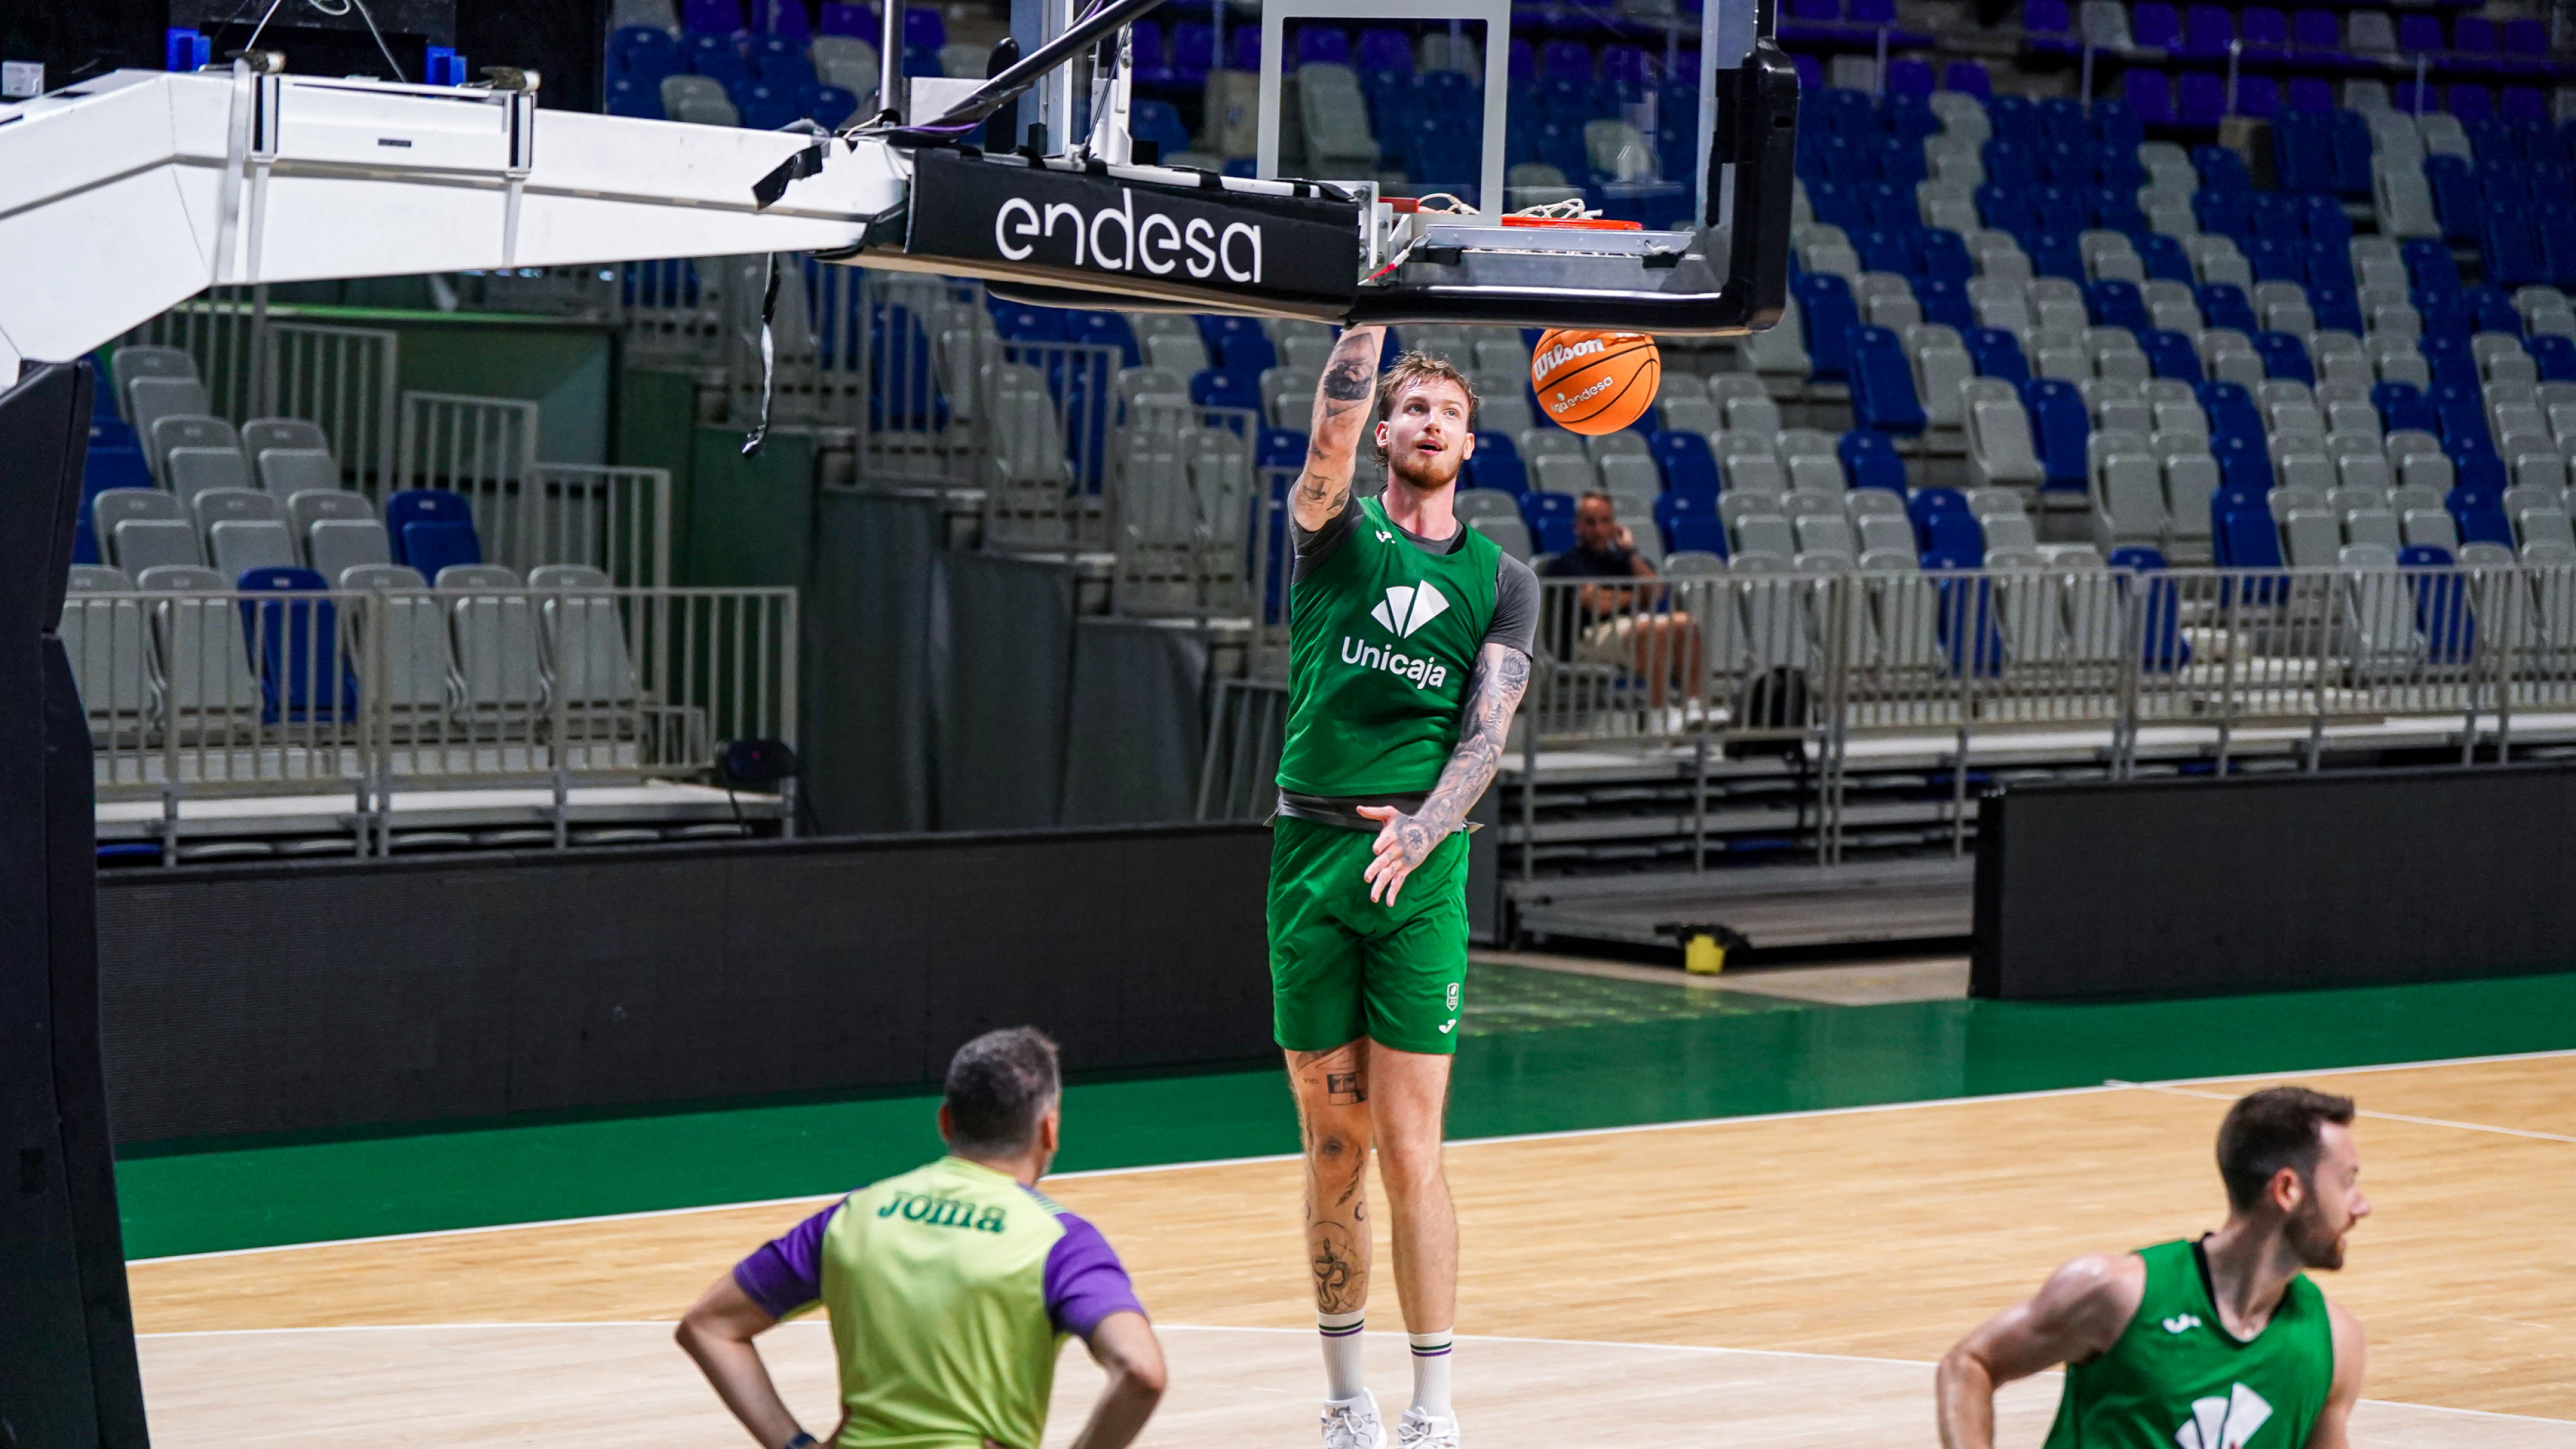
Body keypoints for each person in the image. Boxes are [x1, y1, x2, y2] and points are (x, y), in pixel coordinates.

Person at [1270, 329, 1540, 1449]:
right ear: (1383, 432)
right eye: (1410, 407)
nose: (1428, 422)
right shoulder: (1332, 532)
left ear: (1470, 445)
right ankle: (1347, 1402)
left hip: (1422, 870)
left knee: (1412, 1146)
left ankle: (1433, 1411)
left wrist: (1425, 830)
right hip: (1313, 857)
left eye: (1447, 412)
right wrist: (1369, 309)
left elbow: (1490, 732)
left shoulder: (1505, 581)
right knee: (1332, 1145)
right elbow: (1325, 429)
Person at [676, 1028, 1165, 1449]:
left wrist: (795, 1443)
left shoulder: (854, 1215)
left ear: (946, 1121)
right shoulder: (1062, 1242)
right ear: (1050, 1129)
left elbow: (709, 1326)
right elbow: (1141, 1372)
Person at [1937, 1087, 2371, 1449]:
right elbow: (1970, 1365)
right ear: (2288, 1189)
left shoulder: (2336, 1343)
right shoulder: (2117, 1294)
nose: (2362, 1206)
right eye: (2346, 1182)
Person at [1538, 490, 1701, 710]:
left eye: (1606, 521)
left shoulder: (1625, 561)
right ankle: (1660, 711)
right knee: (1650, 630)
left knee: (1686, 623)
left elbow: (1655, 592)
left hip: (1628, 628)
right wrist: (1636, 595)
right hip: (1587, 638)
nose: (1599, 529)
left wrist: (1630, 553)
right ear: (1577, 526)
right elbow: (1597, 603)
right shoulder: (1565, 564)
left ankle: (1692, 706)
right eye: (1591, 522)